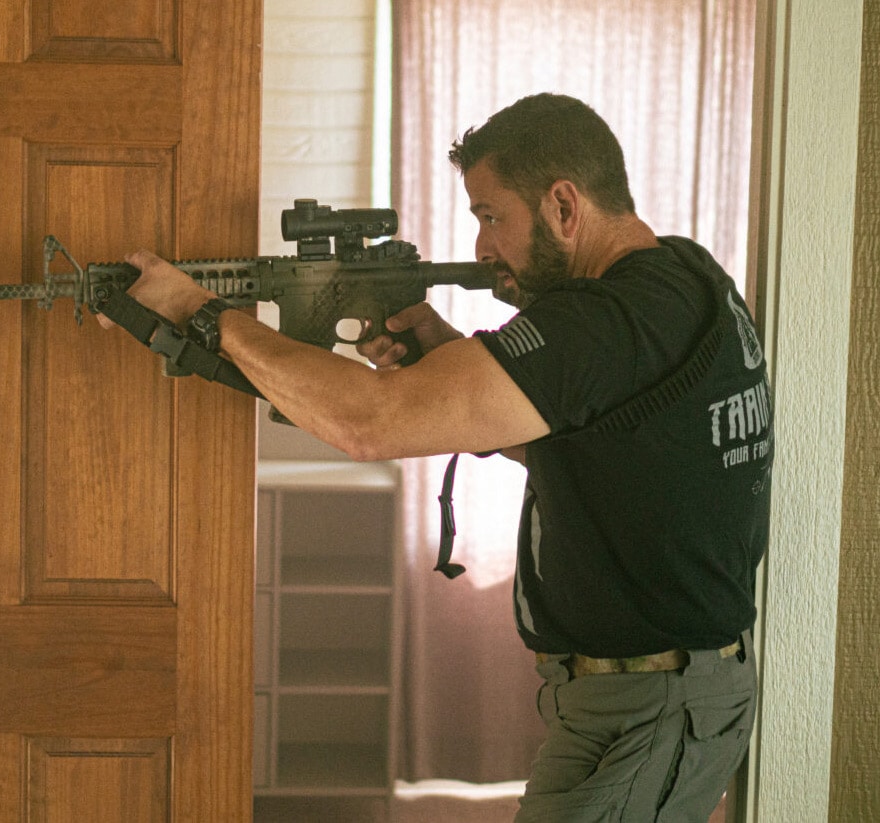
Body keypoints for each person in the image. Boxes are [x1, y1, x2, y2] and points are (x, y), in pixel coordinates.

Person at [105, 93, 772, 822]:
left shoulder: (605, 321)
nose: (483, 247)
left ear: (563, 204)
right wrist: (442, 353)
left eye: (492, 216)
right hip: (637, 696)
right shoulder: (680, 276)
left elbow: (368, 425)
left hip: (649, 703)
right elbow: (587, 443)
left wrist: (204, 314)